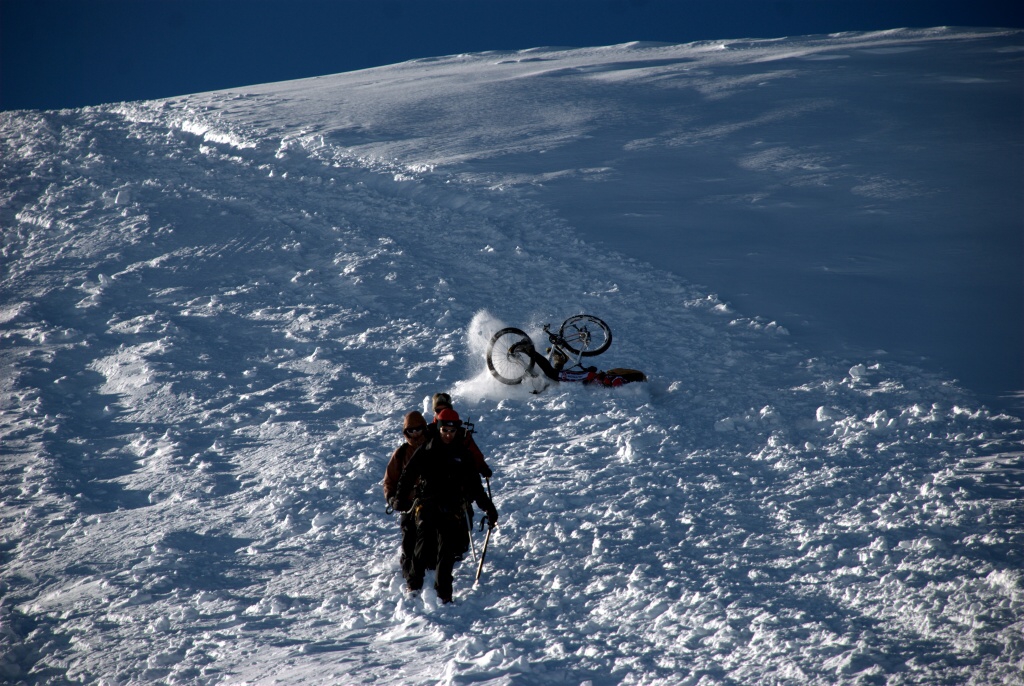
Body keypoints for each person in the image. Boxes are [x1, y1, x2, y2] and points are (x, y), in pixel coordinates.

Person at [392, 409, 498, 604]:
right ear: (439, 430)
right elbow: (408, 475)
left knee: (446, 552)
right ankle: (414, 585)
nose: (448, 435)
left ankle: (444, 593)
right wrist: (399, 499)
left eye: (452, 431)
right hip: (427, 505)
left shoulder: (463, 455)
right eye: (444, 431)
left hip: (452, 509)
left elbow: (474, 486)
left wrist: (488, 507)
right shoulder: (427, 450)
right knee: (422, 546)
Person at [382, 411, 430, 585]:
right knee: (409, 535)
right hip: (409, 505)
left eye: (418, 429)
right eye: (411, 431)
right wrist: (392, 499)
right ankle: (410, 573)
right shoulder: (401, 454)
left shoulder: (432, 448)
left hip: (430, 502)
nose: (415, 434)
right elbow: (389, 481)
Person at [515, 342, 647, 387]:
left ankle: (559, 359)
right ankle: (529, 349)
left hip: (588, 376)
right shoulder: (623, 380)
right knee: (552, 374)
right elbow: (612, 382)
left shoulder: (622, 378)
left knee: (556, 377)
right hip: (587, 377)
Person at [429, 393, 492, 479]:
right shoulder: (429, 431)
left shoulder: (461, 433)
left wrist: (482, 467)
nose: (442, 413)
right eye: (438, 410)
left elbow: (474, 452)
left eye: (445, 409)